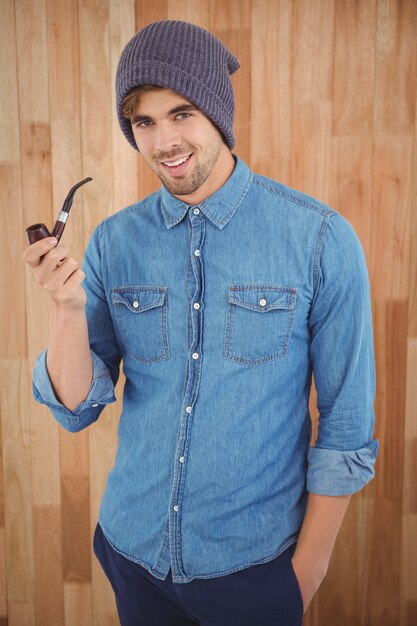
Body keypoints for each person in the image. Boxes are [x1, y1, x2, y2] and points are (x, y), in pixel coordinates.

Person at [23, 19, 379, 626]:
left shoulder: (319, 239)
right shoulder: (114, 243)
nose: (163, 141)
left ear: (217, 111)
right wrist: (66, 309)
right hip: (133, 555)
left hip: (257, 573)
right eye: (143, 122)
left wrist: (305, 576)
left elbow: (346, 427)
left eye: (181, 113)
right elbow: (77, 407)